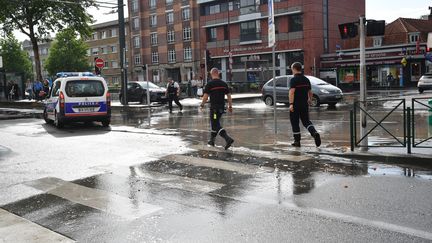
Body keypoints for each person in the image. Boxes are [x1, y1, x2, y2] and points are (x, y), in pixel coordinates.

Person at [200, 68, 234, 150]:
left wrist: (202, 105)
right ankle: (212, 141)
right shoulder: (223, 84)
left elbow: (205, 96)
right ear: (218, 73)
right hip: (221, 109)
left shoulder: (210, 84)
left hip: (214, 110)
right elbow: (229, 96)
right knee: (214, 123)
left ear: (211, 74)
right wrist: (230, 106)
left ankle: (228, 139)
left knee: (215, 125)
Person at [288, 62, 321, 147]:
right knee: (306, 121)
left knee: (295, 122)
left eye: (292, 69)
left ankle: (297, 141)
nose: (292, 70)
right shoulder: (306, 79)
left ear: (294, 69)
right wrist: (309, 100)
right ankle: (314, 133)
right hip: (304, 104)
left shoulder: (293, 80)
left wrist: (291, 104)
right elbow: (310, 92)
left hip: (295, 105)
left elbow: (292, 92)